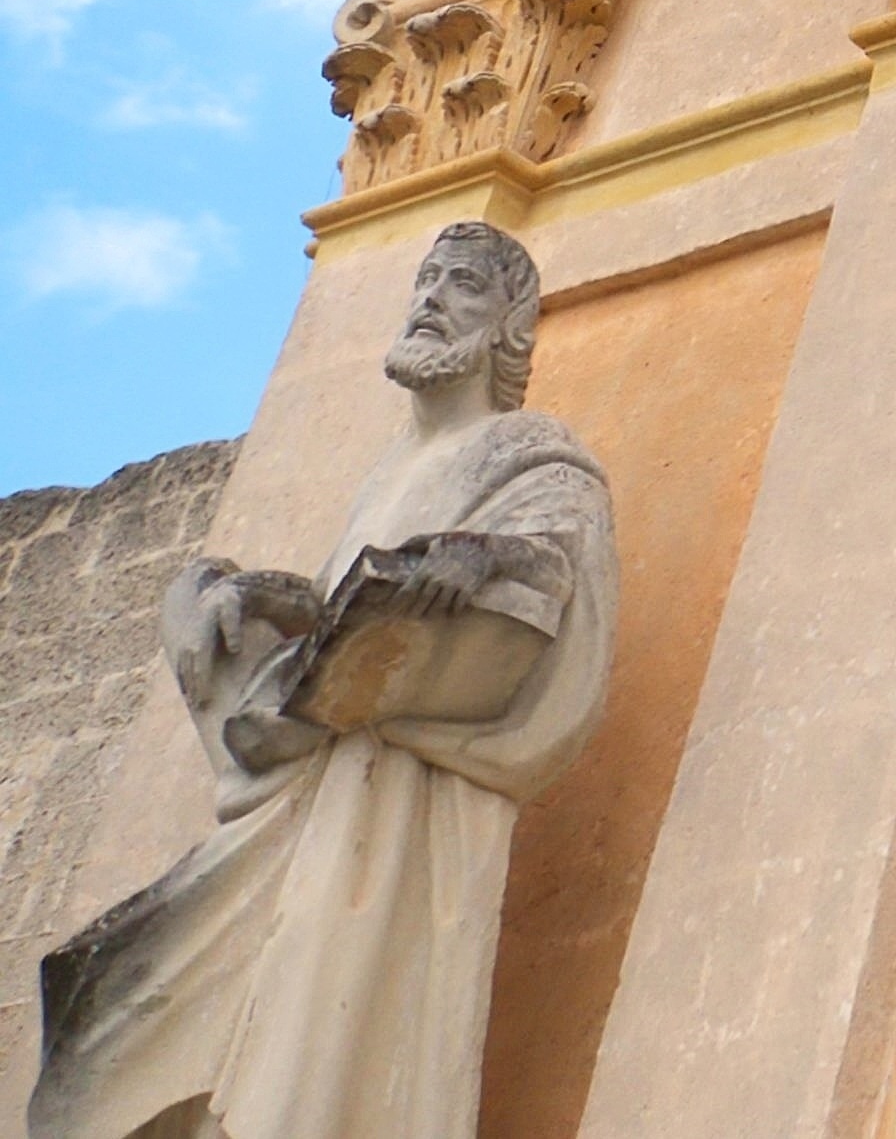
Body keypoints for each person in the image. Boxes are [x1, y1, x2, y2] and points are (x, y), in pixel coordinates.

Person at [33, 223, 616, 1139]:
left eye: (462, 284)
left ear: (509, 329)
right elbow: (350, 600)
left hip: (400, 795)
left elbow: (556, 567)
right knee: (100, 1015)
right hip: (311, 781)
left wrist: (475, 555)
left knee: (318, 1042)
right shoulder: (389, 468)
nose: (429, 299)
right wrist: (264, 596)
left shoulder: (527, 448)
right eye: (424, 279)